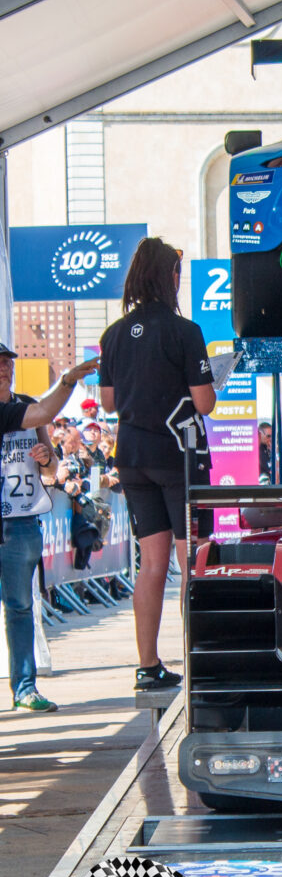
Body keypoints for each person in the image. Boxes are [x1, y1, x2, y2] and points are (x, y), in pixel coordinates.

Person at [98, 237, 216, 692]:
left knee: (151, 564)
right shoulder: (184, 331)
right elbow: (204, 403)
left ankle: (147, 666)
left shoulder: (113, 334)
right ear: (170, 276)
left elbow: (109, 402)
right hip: (178, 455)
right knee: (192, 563)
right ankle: (198, 661)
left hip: (132, 457)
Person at [0, 343, 99, 711]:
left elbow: (51, 468)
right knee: (18, 606)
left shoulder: (28, 405)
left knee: (21, 606)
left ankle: (25, 687)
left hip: (23, 520)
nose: (4, 368)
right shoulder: (31, 409)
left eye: (8, 362)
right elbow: (45, 410)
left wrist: (46, 458)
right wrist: (69, 380)